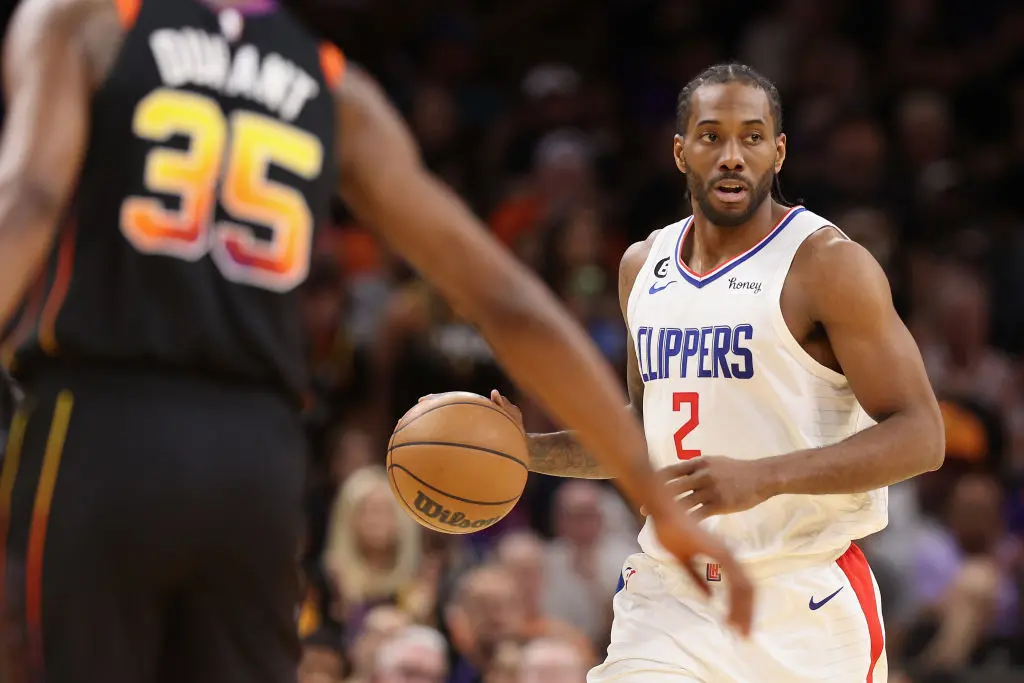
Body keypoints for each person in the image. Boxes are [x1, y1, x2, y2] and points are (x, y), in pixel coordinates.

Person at [0, 0, 751, 681]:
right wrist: (653, 493)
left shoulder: (86, 21)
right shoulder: (332, 85)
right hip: (256, 462)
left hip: (101, 427)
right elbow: (505, 298)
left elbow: (28, 199)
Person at [492, 63, 945, 682]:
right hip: (671, 595)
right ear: (681, 152)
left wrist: (765, 477)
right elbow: (641, 438)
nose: (732, 155)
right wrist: (524, 451)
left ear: (778, 151)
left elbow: (922, 435)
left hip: (801, 599)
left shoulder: (828, 265)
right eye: (711, 136)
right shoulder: (640, 266)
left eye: (752, 137)